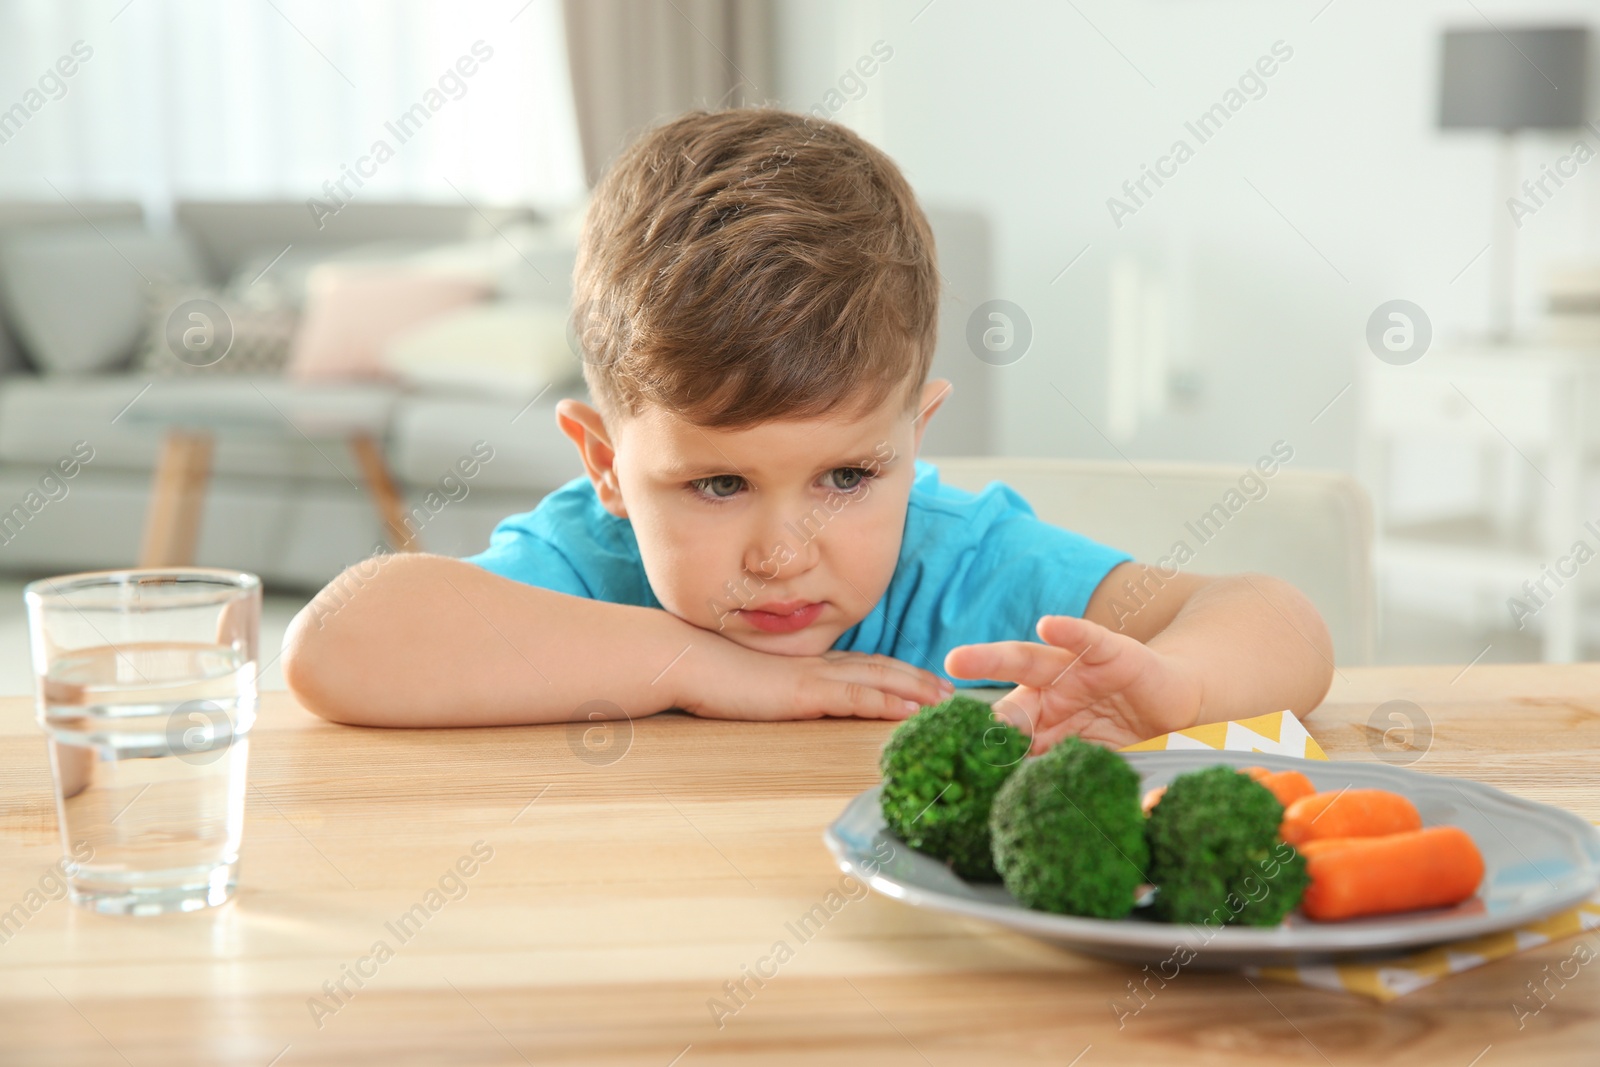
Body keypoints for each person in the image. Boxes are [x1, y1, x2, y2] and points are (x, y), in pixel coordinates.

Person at [282, 107, 1333, 750]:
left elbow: (1275, 617)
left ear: (914, 442)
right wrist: (697, 665)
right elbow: (337, 642)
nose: (783, 553)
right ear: (606, 462)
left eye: (845, 476)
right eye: (717, 484)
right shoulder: (592, 566)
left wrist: (1179, 685)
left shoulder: (961, 568)